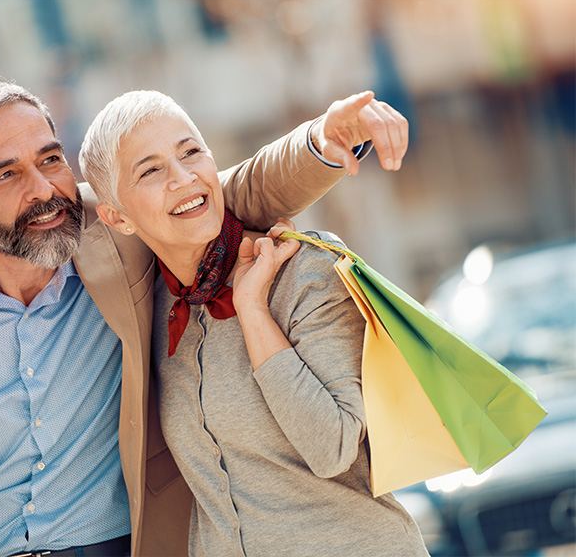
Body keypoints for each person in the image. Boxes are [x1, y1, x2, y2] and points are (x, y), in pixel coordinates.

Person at [0, 81, 409, 557]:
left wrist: (326, 139)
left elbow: (229, 191)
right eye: (5, 175)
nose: (44, 191)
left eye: (49, 159)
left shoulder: (115, 231)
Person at [79, 90, 427, 556]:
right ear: (117, 218)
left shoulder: (304, 271)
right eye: (151, 170)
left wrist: (253, 310)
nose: (183, 179)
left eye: (191, 152)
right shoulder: (150, 307)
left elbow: (333, 447)